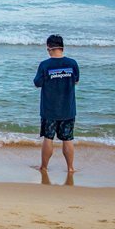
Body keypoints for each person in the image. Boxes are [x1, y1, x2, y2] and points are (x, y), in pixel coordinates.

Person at [33, 34, 79, 173]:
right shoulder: (72, 63)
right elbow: (76, 81)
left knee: (48, 138)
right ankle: (70, 168)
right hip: (68, 108)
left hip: (49, 109)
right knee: (68, 139)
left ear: (49, 48)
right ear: (62, 47)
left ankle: (44, 167)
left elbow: (37, 83)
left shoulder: (45, 65)